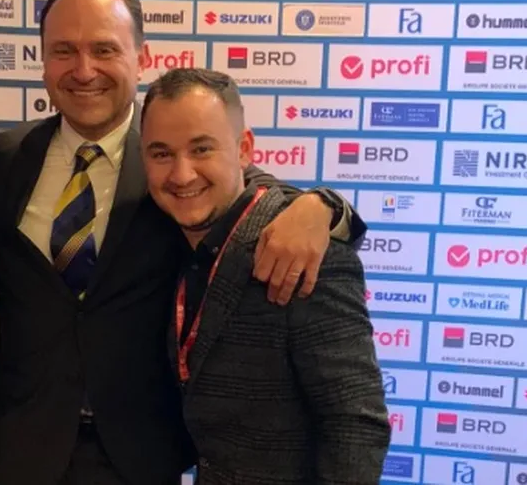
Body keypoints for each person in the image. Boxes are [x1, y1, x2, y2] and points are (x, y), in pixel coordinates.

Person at [0, 0, 368, 485]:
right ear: (43, 60)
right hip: (21, 452)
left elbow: (248, 191)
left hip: (142, 455)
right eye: (64, 50)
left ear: (141, 58)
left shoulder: (171, 161)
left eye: (104, 49)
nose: (84, 70)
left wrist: (325, 207)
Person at [140, 67, 391, 485]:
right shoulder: (171, 232)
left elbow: (355, 424)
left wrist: (323, 206)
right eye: (162, 154)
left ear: (244, 149)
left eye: (202, 149)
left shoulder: (304, 249)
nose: (182, 174)